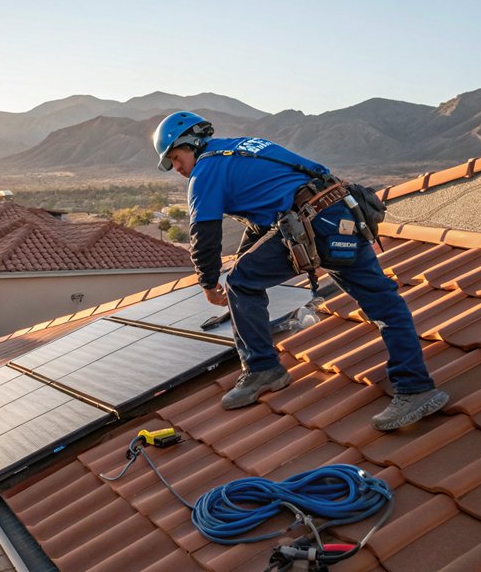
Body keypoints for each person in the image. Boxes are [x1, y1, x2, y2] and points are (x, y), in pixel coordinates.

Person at [152, 111, 448, 430]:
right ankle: (415, 387)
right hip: (341, 212)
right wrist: (244, 260)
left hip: (314, 223)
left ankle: (263, 368)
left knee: (239, 284)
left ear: (191, 143)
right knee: (384, 302)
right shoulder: (241, 148)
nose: (179, 169)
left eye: (176, 158)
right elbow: (260, 224)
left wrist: (210, 283)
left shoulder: (206, 171)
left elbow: (204, 235)